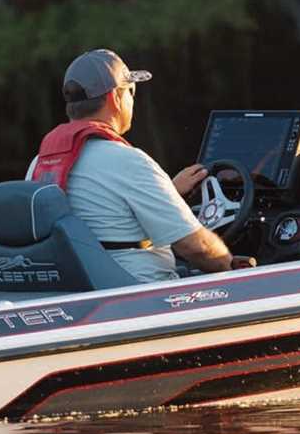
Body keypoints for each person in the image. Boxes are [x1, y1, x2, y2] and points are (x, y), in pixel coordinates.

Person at [25, 49, 254, 282]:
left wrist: (168, 192)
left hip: (79, 290)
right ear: (115, 97)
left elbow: (101, 215)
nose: (133, 100)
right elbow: (197, 248)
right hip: (140, 293)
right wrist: (233, 267)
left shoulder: (40, 163)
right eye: (131, 91)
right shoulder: (128, 161)